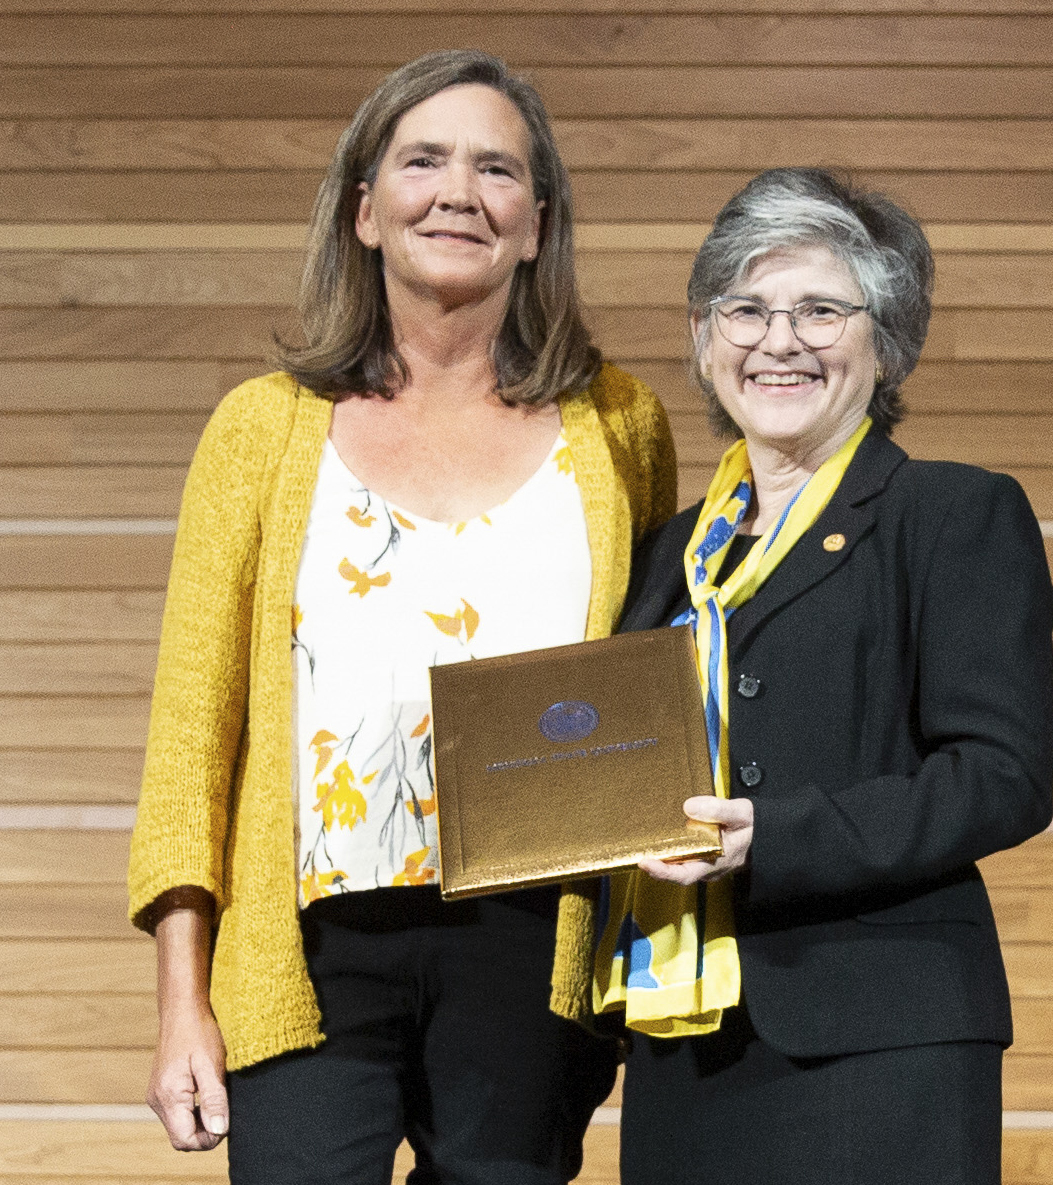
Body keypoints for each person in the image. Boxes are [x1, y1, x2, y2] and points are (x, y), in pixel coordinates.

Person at [127, 49, 676, 1185]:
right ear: (366, 210)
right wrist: (183, 997)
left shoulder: (619, 424)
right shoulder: (262, 430)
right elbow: (193, 737)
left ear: (536, 224)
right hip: (311, 945)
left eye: (497, 170)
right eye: (422, 161)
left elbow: (649, 678)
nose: (459, 192)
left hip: (534, 944)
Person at [578, 168, 1053, 1184]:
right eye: (744, 310)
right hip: (684, 1035)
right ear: (708, 340)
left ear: (888, 340)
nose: (778, 341)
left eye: (821, 311)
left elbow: (1001, 776)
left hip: (878, 1034)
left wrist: (779, 835)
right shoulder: (670, 552)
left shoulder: (950, 513)